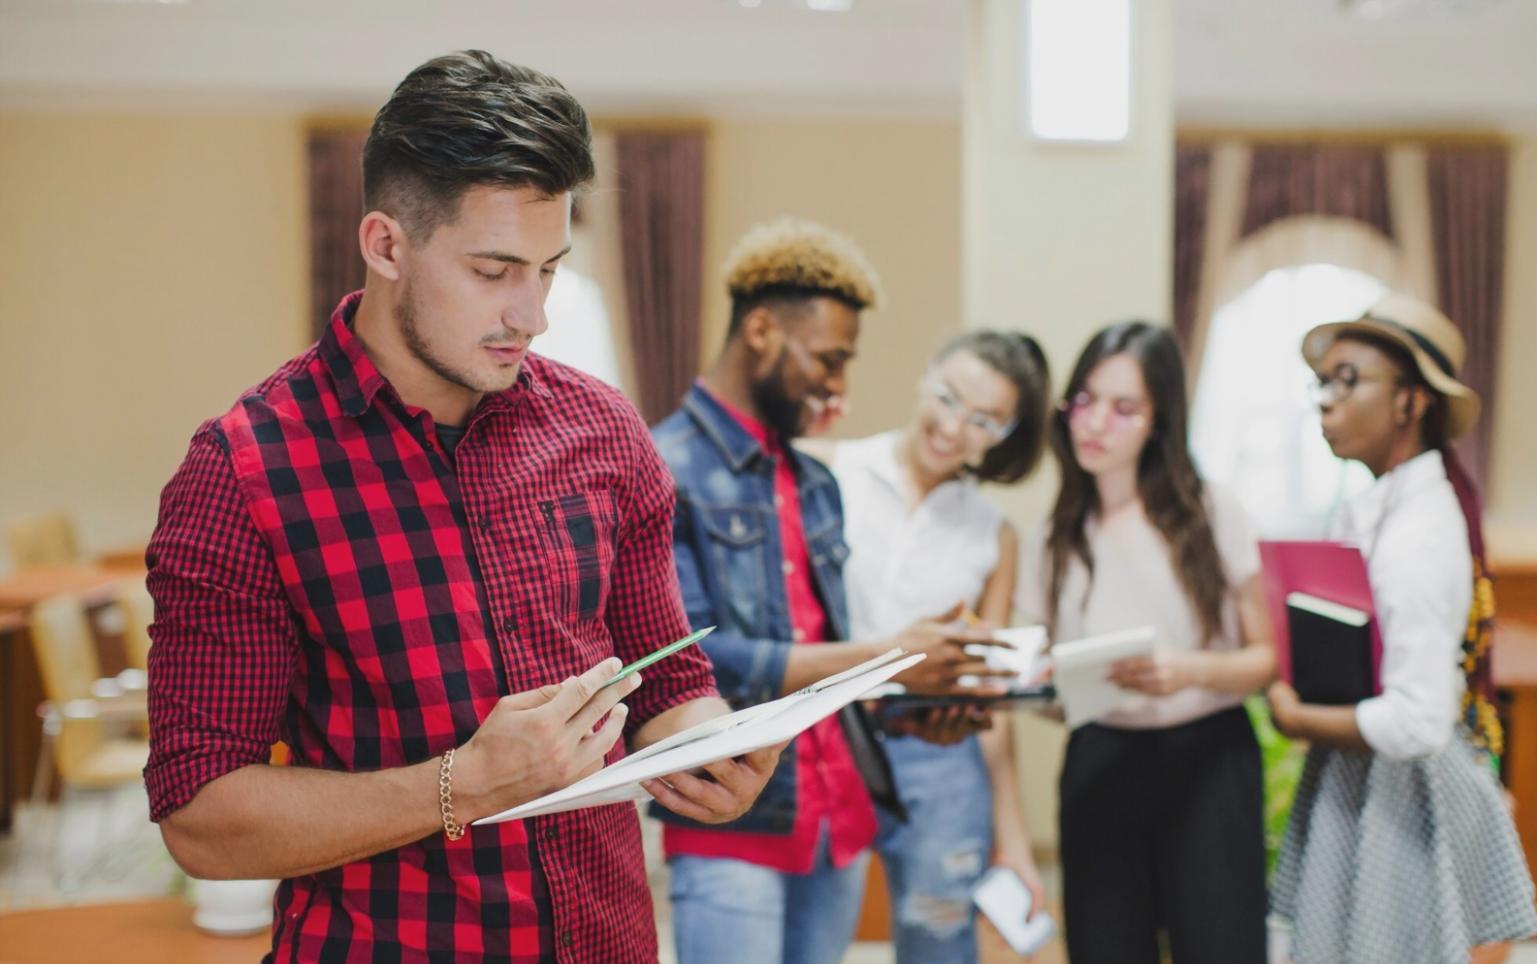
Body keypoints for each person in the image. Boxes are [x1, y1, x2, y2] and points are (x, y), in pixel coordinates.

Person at [143, 50, 777, 963]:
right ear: (386, 244)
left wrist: (709, 744)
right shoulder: (242, 474)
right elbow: (201, 820)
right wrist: (462, 786)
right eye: (494, 270)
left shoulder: (604, 432)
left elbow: (667, 685)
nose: (532, 315)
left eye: (549, 270)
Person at [651, 218, 1001, 964]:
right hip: (730, 823)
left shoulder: (814, 482)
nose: (839, 384)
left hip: (835, 816)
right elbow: (692, 665)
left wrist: (914, 706)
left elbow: (816, 656)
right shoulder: (662, 466)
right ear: (761, 328)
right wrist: (887, 655)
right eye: (828, 359)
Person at [1267, 294, 1537, 964]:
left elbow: (1417, 722)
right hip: (1361, 774)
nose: (1325, 401)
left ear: (1409, 403)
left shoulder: (1420, 531)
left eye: (1347, 379)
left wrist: (1296, 719)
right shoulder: (1370, 508)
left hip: (1398, 789)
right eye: (1321, 382)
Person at [1016, 321, 1277, 964]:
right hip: (1102, 759)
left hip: (1210, 759)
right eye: (1085, 400)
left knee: (1222, 947)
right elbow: (1034, 683)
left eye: (1124, 408)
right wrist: (1044, 685)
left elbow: (1265, 661)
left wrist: (1187, 671)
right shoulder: (1053, 537)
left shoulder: (1212, 512)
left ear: (1159, 422)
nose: (1096, 422)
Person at [818, 330, 1050, 963]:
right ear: (924, 379)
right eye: (948, 398)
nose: (954, 427)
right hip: (833, 742)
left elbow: (991, 699)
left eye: (985, 421)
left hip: (941, 756)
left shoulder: (992, 534)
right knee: (816, 937)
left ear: (1005, 435)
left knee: (939, 941)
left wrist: (1015, 840)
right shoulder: (833, 473)